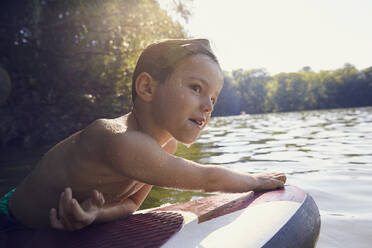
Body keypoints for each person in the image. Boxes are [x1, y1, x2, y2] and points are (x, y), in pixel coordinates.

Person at [5, 38, 286, 231]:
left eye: (214, 97)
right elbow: (206, 179)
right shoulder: (121, 140)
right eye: (197, 88)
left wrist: (96, 214)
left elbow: (129, 204)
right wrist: (255, 180)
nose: (208, 106)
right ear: (148, 88)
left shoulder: (166, 147)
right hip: (8, 220)